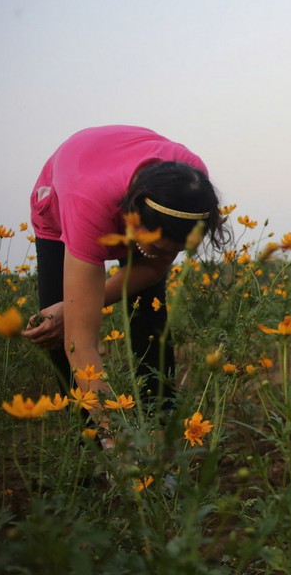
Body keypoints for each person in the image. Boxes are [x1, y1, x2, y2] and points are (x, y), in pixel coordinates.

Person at [21, 125, 228, 419]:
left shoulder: (191, 188)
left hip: (120, 182)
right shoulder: (88, 205)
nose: (167, 257)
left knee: (150, 312)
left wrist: (75, 307)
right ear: (133, 219)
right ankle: (92, 443)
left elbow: (154, 269)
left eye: (176, 249)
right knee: (56, 331)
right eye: (159, 247)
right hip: (65, 198)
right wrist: (118, 444)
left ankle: (160, 418)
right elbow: (80, 345)